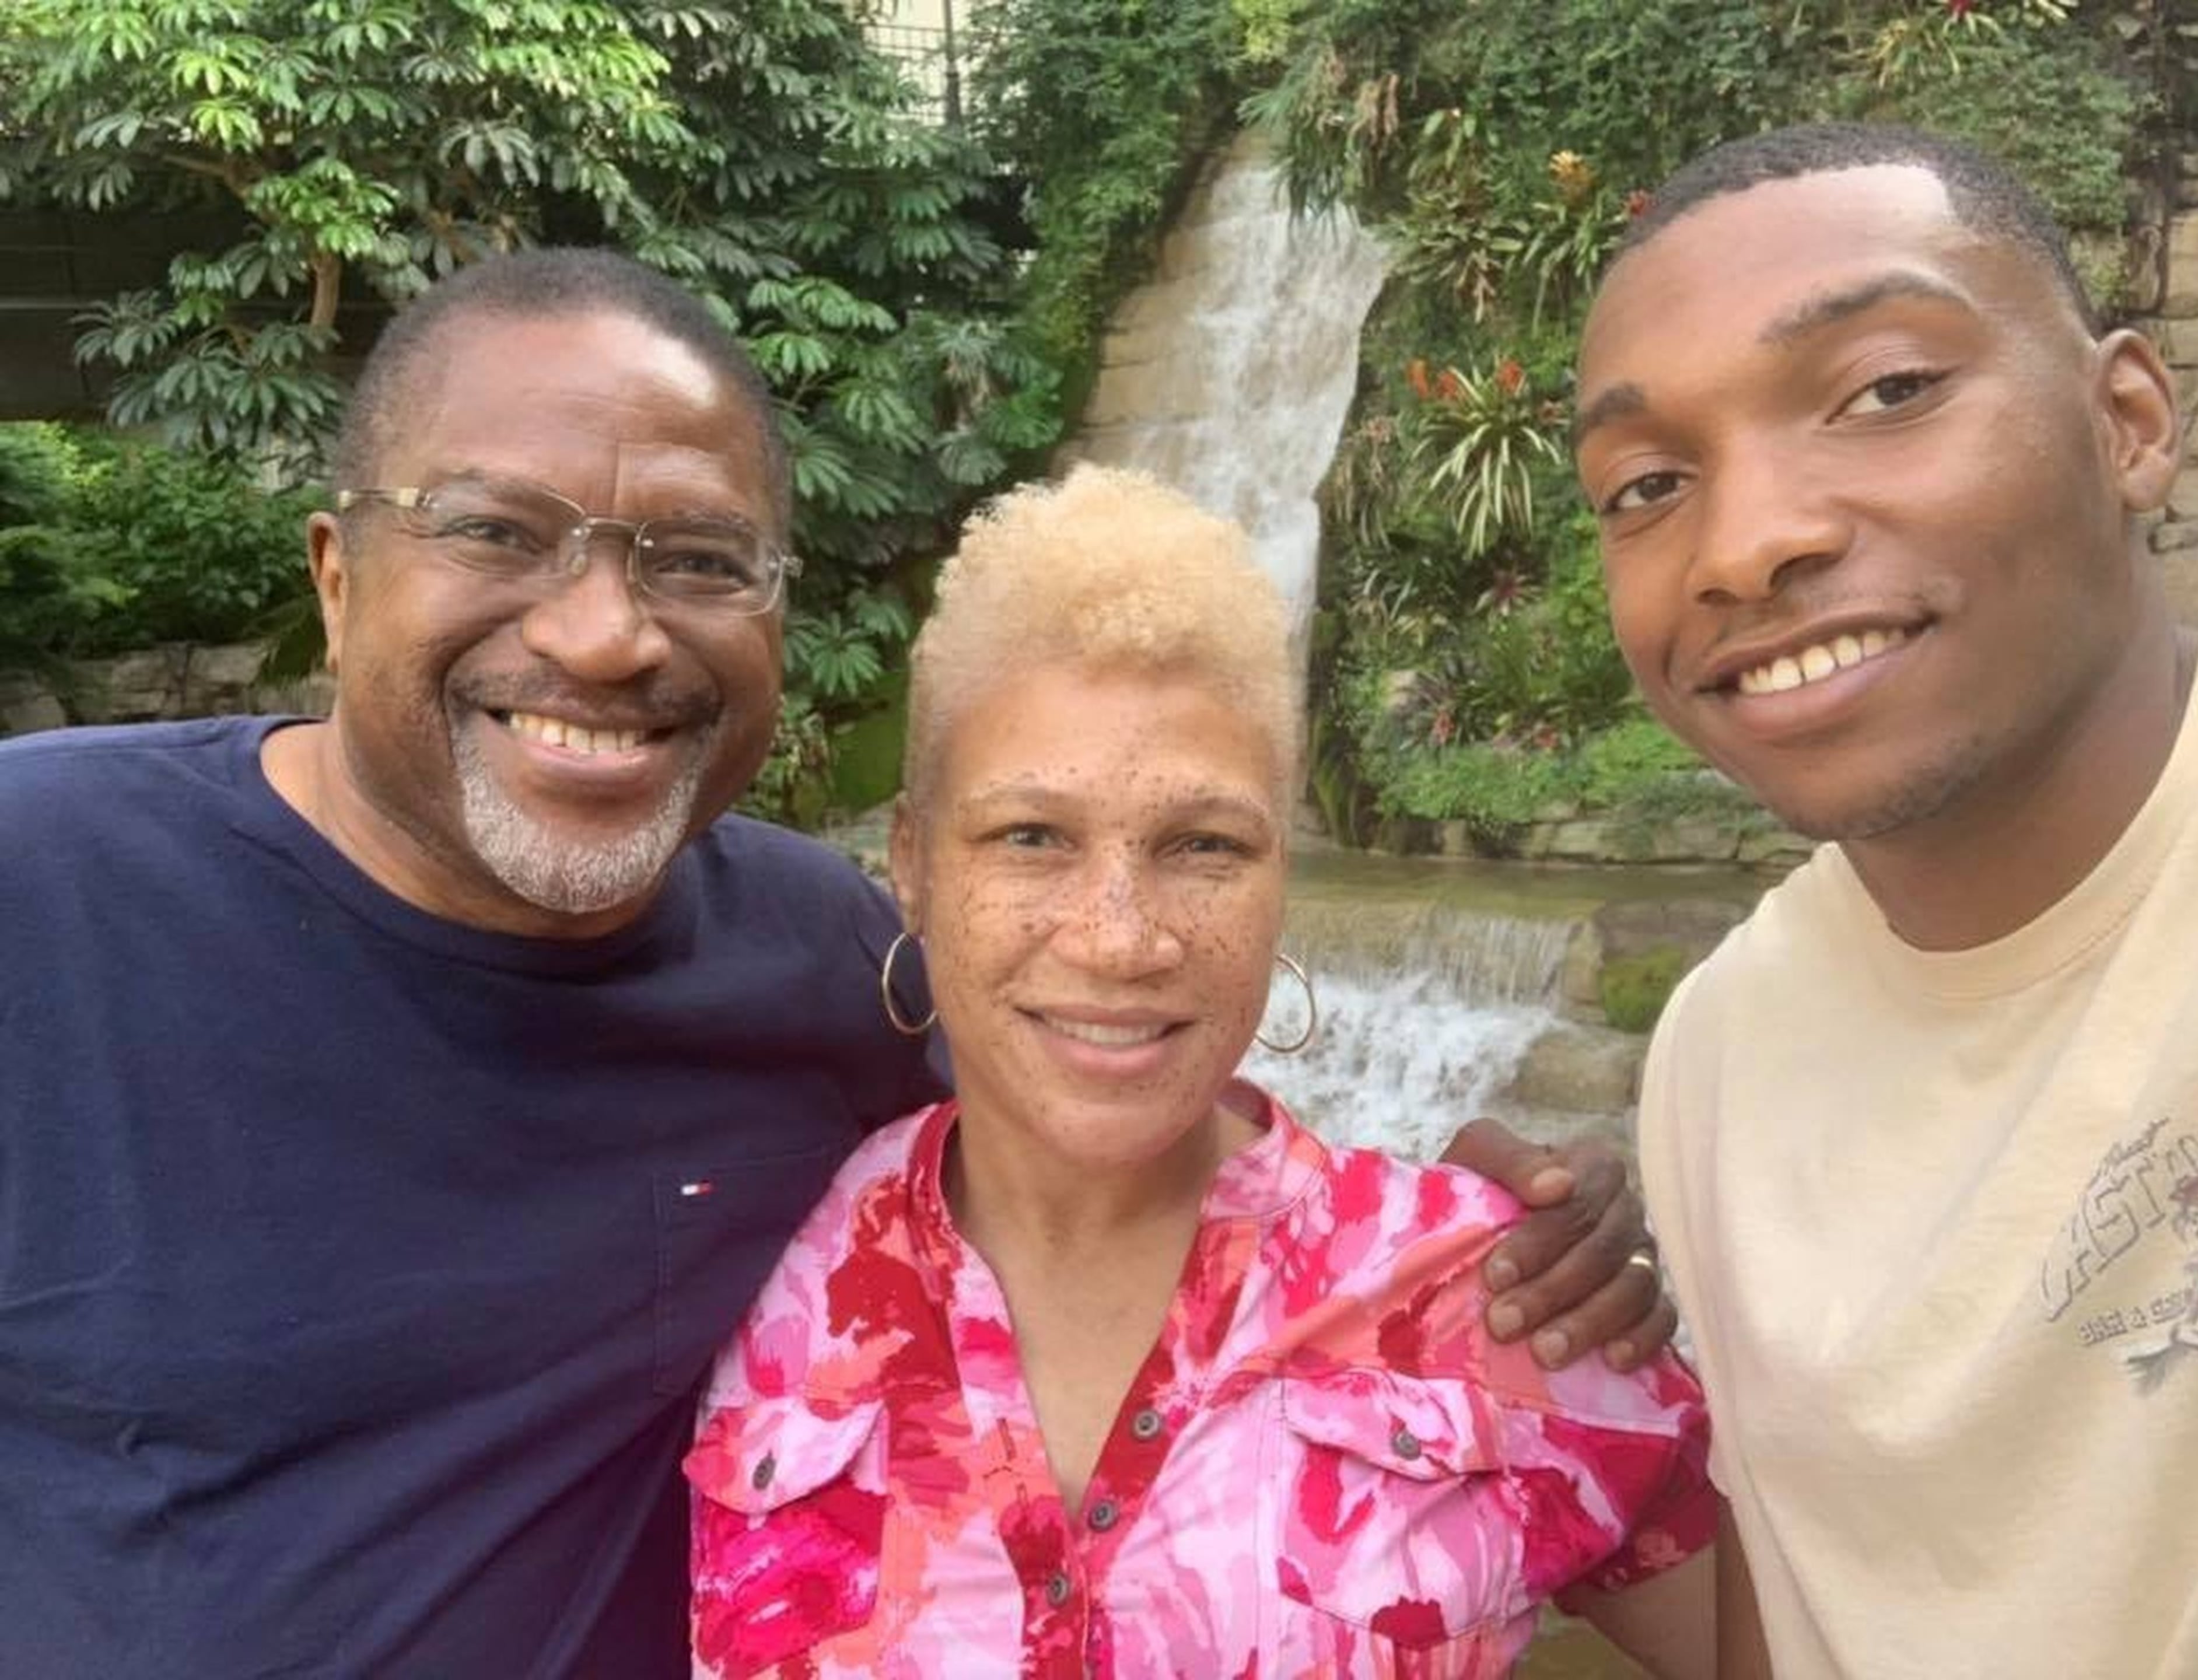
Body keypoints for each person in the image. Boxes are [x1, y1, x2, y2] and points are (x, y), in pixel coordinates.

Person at [0, 248, 1665, 1676]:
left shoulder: (827, 957)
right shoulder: (43, 885)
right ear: (337, 572)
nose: (602, 632)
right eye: (497, 530)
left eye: (699, 558)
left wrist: (1485, 1232)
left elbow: (1115, 1086)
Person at [684, 466, 1728, 1678]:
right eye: (1031, 836)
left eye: (1204, 845)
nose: (1120, 937)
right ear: (912, 863)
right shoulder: (751, 1262)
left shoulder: (1499, 1300)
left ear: (1286, 872)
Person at [1571, 121, 2198, 1678]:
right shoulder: (1723, 1046)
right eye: (1651, 483)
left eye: (1886, 392)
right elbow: (1808, 1623)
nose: (1747, 545)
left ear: (2128, 421)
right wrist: (1526, 1387)